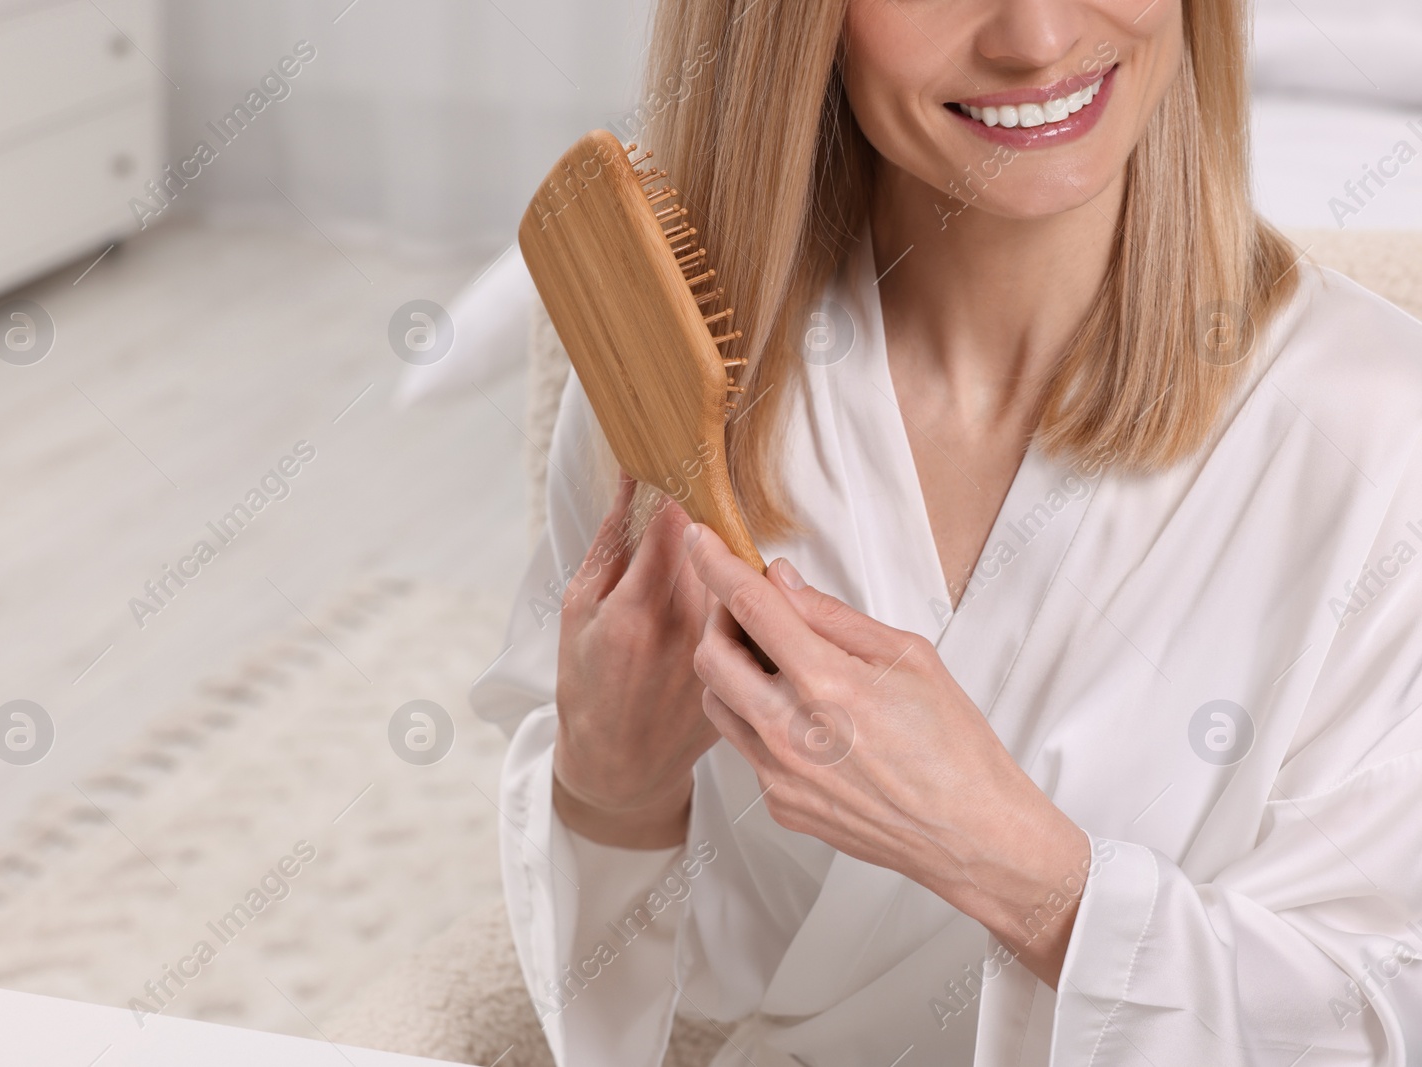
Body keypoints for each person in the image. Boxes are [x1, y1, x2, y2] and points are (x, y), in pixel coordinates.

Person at [471, 1, 1422, 1064]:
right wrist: (610, 792)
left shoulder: (1380, 436)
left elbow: (1380, 1011)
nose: (1037, 39)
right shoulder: (670, 389)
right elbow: (651, 978)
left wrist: (1015, 865)